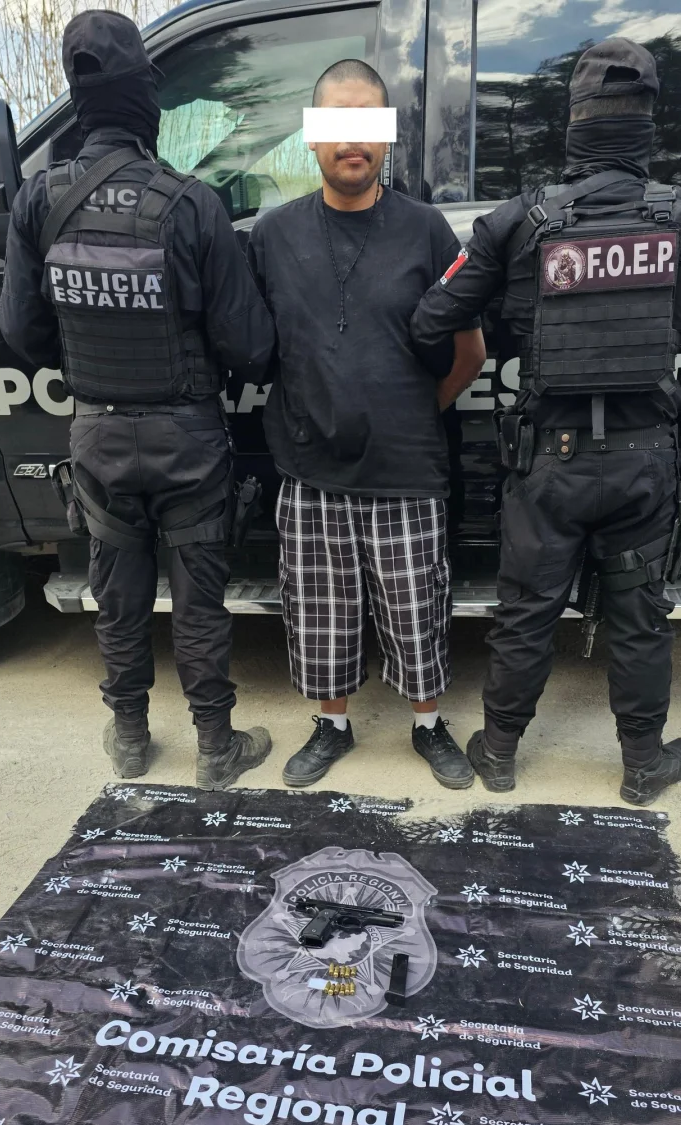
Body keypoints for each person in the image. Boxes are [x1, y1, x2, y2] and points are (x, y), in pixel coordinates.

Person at [410, 38, 681, 803]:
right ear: (647, 124)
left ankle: (499, 753)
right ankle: (642, 765)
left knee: (527, 609)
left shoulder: (519, 222)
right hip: (646, 460)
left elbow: (432, 317)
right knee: (640, 616)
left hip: (549, 461)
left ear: (575, 122)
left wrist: (509, 321)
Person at [0, 11, 277, 787]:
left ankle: (128, 739)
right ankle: (216, 747)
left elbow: (20, 331)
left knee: (115, 594)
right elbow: (249, 344)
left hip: (98, 434)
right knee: (199, 598)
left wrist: (86, 363)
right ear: (146, 99)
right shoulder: (190, 203)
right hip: (188, 438)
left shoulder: (39, 201)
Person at [246, 60, 487, 790]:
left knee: (418, 613)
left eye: (367, 123)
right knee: (320, 615)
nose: (352, 140)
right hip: (309, 468)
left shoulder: (426, 230)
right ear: (312, 136)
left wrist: (413, 412)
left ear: (387, 136)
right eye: (336, 122)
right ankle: (333, 726)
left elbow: (470, 353)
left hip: (408, 469)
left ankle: (428, 725)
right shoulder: (272, 235)